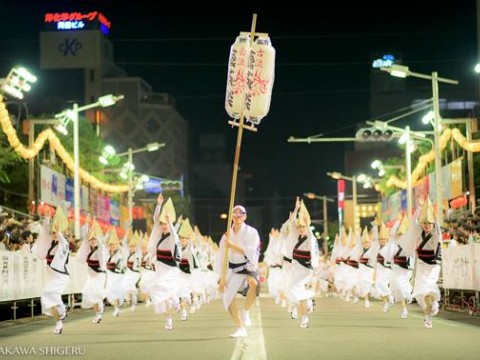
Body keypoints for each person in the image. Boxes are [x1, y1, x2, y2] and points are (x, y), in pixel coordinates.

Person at [216, 204, 260, 338]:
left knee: (253, 283)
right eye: (234, 214)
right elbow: (221, 257)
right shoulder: (226, 236)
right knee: (227, 298)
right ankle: (241, 328)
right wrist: (222, 278)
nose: (237, 216)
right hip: (233, 268)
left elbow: (252, 252)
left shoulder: (252, 232)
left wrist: (233, 246)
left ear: (245, 216)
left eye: (241, 214)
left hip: (248, 265)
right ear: (231, 217)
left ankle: (246, 311)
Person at [399, 197, 442, 329]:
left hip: (433, 266)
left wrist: (432, 212)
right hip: (422, 266)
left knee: (429, 289)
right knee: (421, 294)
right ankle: (428, 315)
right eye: (424, 223)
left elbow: (437, 226)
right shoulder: (418, 231)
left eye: (429, 223)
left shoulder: (436, 233)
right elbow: (413, 223)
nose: (427, 226)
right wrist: (419, 208)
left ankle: (432, 307)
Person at [31, 205, 70, 335]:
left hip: (61, 276)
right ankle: (59, 321)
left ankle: (62, 311)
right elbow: (45, 231)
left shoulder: (64, 243)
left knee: (49, 294)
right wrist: (47, 218)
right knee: (46, 297)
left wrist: (58, 233)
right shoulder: (49, 243)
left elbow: (63, 242)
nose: (53, 234)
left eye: (55, 233)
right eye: (52, 233)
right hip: (51, 276)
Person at [147, 193, 182, 331]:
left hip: (170, 271)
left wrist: (171, 223)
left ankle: (176, 301)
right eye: (162, 224)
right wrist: (159, 205)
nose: (162, 226)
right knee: (158, 295)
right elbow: (156, 220)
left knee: (168, 294)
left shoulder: (173, 237)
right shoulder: (159, 236)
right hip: (160, 270)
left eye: (165, 224)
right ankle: (168, 318)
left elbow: (174, 234)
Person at [77, 216, 109, 324]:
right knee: (89, 294)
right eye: (91, 240)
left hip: (100, 275)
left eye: (94, 239)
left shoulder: (101, 250)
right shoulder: (87, 249)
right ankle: (98, 313)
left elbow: (101, 247)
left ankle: (99, 313)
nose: (93, 241)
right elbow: (85, 237)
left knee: (96, 294)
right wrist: (86, 224)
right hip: (91, 276)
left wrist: (97, 234)